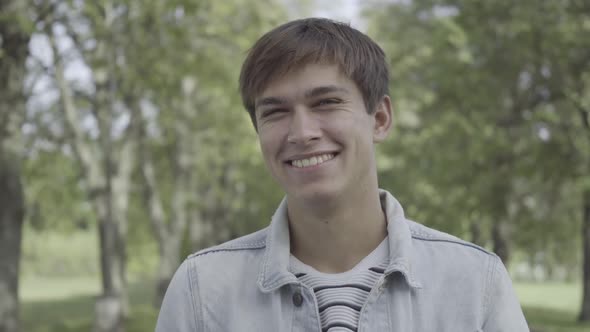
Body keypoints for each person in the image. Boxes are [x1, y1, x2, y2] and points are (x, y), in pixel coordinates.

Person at [156, 17, 529, 332]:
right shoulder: (201, 289)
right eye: (275, 112)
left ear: (380, 119)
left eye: (326, 103)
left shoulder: (476, 282)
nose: (302, 133)